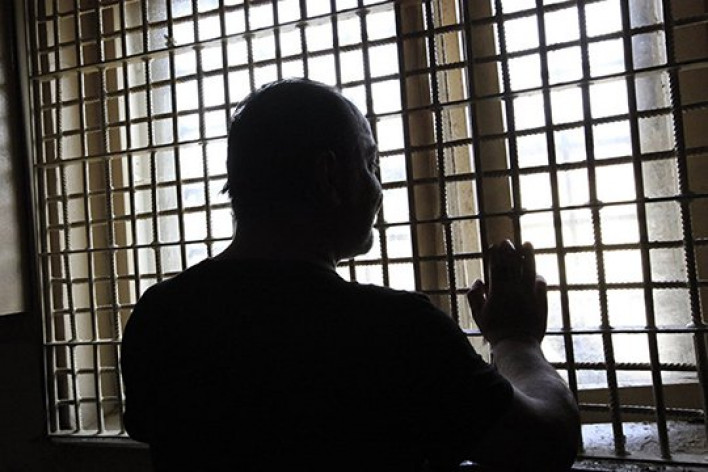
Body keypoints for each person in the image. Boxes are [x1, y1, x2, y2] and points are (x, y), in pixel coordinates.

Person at [121, 79, 580, 471]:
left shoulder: (162, 315)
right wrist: (516, 340)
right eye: (370, 164)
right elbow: (547, 441)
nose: (379, 188)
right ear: (328, 175)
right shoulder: (395, 330)